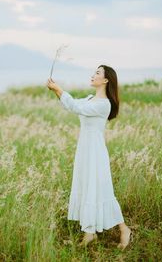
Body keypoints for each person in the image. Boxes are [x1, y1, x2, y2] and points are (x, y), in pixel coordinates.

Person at [47, 64, 133, 249]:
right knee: (86, 186)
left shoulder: (104, 105)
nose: (92, 75)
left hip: (95, 151)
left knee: (102, 189)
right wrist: (56, 91)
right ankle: (89, 233)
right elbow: (71, 105)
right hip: (84, 149)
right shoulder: (89, 99)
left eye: (97, 73)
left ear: (106, 80)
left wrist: (58, 88)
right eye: (94, 72)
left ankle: (124, 229)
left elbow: (75, 107)